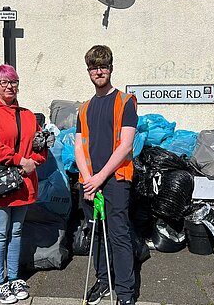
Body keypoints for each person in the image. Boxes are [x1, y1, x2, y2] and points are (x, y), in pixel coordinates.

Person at [0, 64, 46, 304]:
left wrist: (34, 162)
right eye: (3, 82)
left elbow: (41, 146)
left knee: (16, 232)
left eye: (13, 82)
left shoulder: (28, 115)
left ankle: (14, 277)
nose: (9, 86)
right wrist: (21, 160)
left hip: (24, 183)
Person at [74, 45, 138, 305]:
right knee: (96, 233)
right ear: (88, 71)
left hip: (116, 180)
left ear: (111, 68)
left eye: (103, 66)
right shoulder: (84, 107)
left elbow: (126, 145)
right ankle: (103, 279)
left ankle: (125, 292)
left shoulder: (125, 102)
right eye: (93, 67)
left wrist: (100, 178)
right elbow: (79, 145)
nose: (98, 71)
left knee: (118, 234)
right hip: (88, 181)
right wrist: (88, 178)